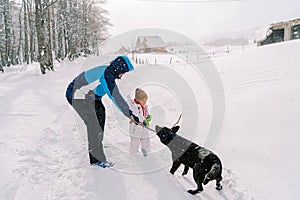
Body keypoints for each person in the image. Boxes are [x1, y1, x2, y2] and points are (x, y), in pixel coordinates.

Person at [65, 55, 140, 168]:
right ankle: (96, 159)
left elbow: (100, 89)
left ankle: (97, 144)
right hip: (76, 96)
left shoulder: (109, 74)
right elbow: (115, 96)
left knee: (100, 113)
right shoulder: (106, 73)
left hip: (91, 98)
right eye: (123, 72)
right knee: (93, 124)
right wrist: (129, 114)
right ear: (119, 68)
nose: (123, 75)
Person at [128, 88, 152, 157]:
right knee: (135, 141)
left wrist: (148, 117)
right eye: (143, 101)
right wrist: (143, 120)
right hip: (136, 126)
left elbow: (146, 112)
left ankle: (147, 152)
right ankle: (133, 154)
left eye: (146, 100)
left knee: (146, 140)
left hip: (143, 126)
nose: (145, 102)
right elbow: (138, 115)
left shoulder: (144, 106)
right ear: (138, 100)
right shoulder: (134, 106)